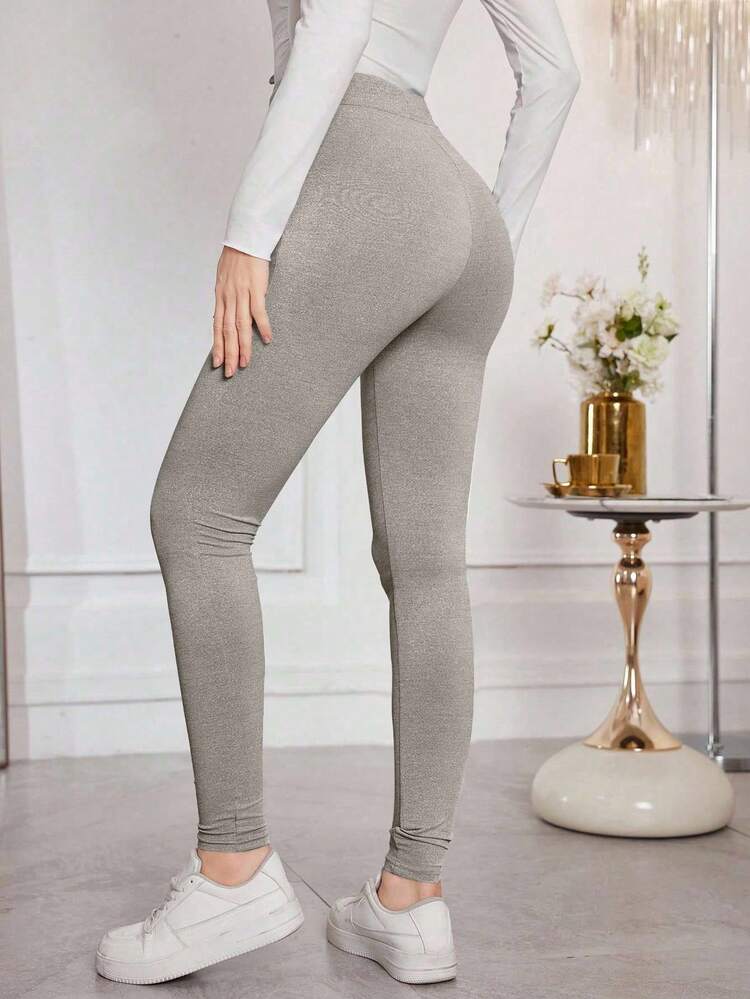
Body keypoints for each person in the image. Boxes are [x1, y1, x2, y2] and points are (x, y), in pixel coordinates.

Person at [96, 0, 579, 986]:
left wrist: (251, 232)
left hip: (362, 170)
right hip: (460, 212)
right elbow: (557, 72)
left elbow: (339, 19)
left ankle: (233, 870)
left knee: (197, 516)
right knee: (428, 565)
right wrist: (497, 233)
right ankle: (412, 897)